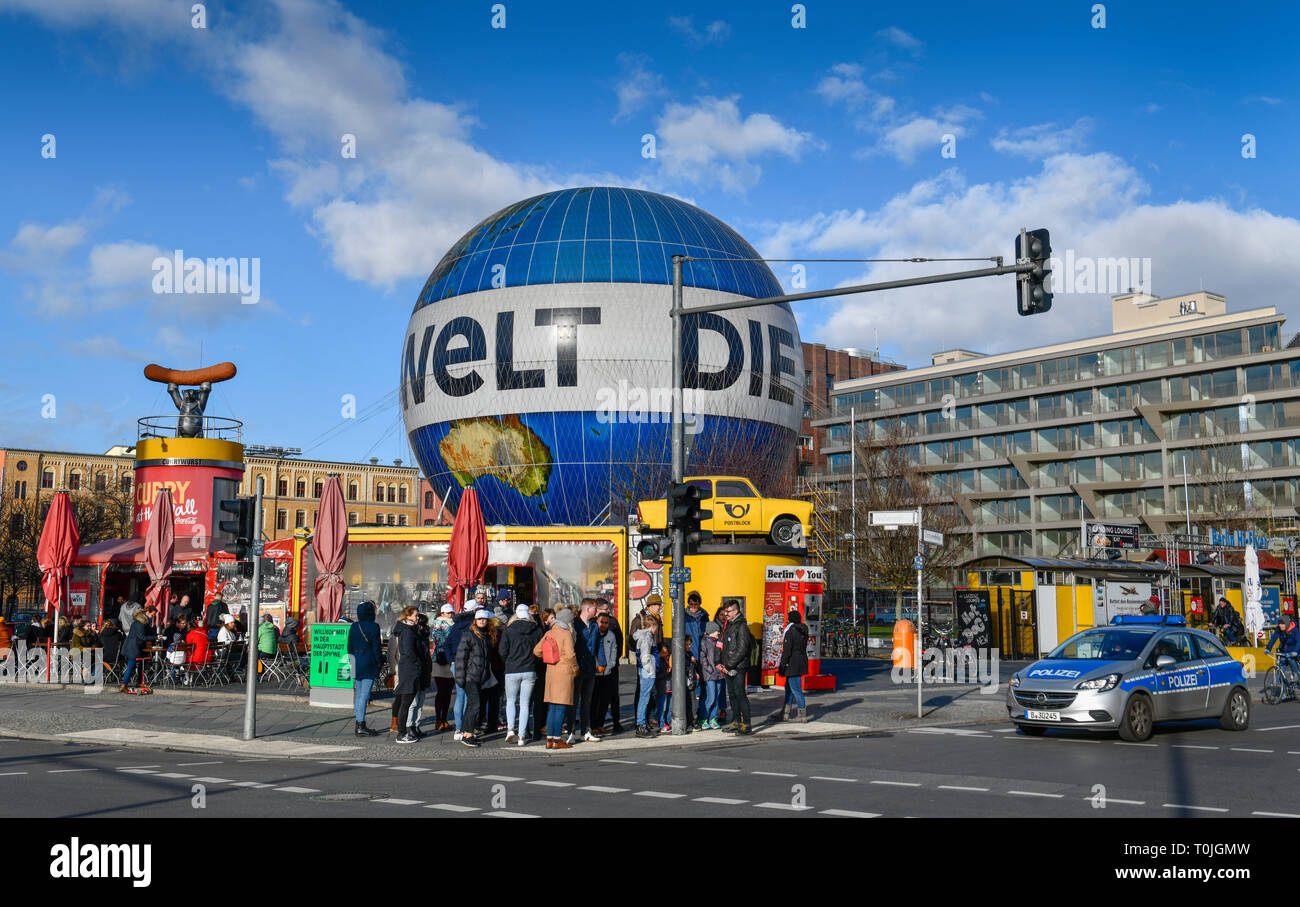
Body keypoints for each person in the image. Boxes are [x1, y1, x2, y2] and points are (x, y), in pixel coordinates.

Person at [533, 607, 578, 749]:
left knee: (552, 707)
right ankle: (557, 740)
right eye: (571, 619)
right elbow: (571, 655)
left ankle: (550, 739)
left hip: (551, 672)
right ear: (566, 620)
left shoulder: (549, 632)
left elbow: (536, 651)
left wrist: (548, 656)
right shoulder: (566, 634)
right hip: (564, 672)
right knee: (560, 707)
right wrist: (575, 669)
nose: (572, 621)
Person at [499, 603, 541, 746]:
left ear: (516, 614)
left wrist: (509, 661)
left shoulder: (509, 630)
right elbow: (539, 649)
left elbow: (502, 651)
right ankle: (522, 737)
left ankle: (511, 729)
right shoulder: (536, 629)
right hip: (530, 669)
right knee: (525, 704)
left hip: (512, 669)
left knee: (510, 701)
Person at [454, 609, 494, 747]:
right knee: (475, 704)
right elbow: (460, 658)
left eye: (484, 619)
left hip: (480, 677)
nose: (482, 621)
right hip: (469, 677)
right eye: (480, 619)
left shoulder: (486, 636)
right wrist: (460, 678)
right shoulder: (468, 635)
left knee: (473, 705)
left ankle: (466, 733)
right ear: (475, 621)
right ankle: (468, 734)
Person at [346, 600, 383, 736]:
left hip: (355, 662)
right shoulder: (374, 626)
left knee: (359, 694)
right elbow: (376, 648)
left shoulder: (354, 626)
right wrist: (379, 663)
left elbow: (349, 647)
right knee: (364, 695)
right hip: (368, 662)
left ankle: (359, 723)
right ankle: (361, 725)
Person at [567, 598, 601, 743]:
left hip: (590, 668)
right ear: (588, 609)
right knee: (573, 702)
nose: (597, 611)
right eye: (595, 609)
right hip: (577, 668)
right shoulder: (575, 625)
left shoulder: (594, 626)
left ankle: (586, 731)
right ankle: (571, 732)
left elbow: (598, 646)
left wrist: (602, 663)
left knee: (587, 701)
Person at [628, 594, 664, 729]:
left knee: (650, 691)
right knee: (643, 691)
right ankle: (641, 719)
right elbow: (632, 639)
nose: (660, 607)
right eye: (658, 605)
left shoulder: (657, 618)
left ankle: (647, 717)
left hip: (653, 657)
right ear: (651, 606)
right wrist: (647, 664)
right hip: (646, 661)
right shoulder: (640, 619)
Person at [446, 597, 478, 741]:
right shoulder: (472, 625)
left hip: (455, 664)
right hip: (468, 664)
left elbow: (447, 645)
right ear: (474, 611)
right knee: (469, 697)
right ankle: (466, 729)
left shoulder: (455, 625)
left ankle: (458, 729)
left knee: (460, 696)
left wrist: (451, 660)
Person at [719, 600, 753, 735]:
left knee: (740, 694)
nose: (725, 614)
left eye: (728, 611)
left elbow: (742, 649)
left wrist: (730, 664)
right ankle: (736, 721)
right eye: (725, 611)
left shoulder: (741, 626)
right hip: (728, 666)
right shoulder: (729, 625)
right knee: (732, 695)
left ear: (736, 611)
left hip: (738, 666)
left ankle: (747, 724)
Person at [593, 600, 624, 733]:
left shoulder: (613, 623)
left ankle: (613, 722)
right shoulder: (593, 625)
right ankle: (593, 724)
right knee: (595, 697)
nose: (608, 612)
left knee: (610, 696)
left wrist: (611, 664)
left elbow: (618, 643)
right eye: (605, 610)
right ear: (598, 610)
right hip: (596, 668)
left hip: (611, 667)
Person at [776, 609, 810, 722]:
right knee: (789, 688)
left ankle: (802, 716)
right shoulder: (804, 630)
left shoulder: (791, 632)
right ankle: (785, 714)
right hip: (801, 661)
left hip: (792, 663)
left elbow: (787, 651)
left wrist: (782, 665)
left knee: (796, 690)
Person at [632, 613, 660, 737]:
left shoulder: (644, 636)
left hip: (645, 671)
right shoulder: (647, 637)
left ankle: (642, 723)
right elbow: (645, 656)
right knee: (644, 698)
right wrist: (650, 670)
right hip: (647, 672)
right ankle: (641, 725)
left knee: (645, 697)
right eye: (656, 627)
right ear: (653, 626)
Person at [430, 604, 456, 730]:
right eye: (447, 613)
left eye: (451, 612)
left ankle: (444, 719)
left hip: (450, 660)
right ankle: (438, 719)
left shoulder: (454, 623)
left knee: (448, 692)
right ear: (442, 613)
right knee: (441, 691)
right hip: (440, 660)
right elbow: (439, 640)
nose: (450, 614)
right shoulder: (438, 624)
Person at [407, 613, 433, 737]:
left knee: (421, 701)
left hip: (425, 672)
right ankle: (409, 725)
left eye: (425, 625)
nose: (424, 627)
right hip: (416, 672)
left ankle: (416, 725)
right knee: (414, 702)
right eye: (422, 624)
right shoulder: (414, 637)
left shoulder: (425, 639)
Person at [119, 608, 156, 694]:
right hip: (132, 648)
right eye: (152, 614)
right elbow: (142, 637)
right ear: (145, 613)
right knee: (130, 666)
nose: (153, 616)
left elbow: (149, 632)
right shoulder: (140, 623)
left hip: (136, 647)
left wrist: (156, 635)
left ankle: (139, 682)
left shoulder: (142, 623)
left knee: (142, 663)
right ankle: (124, 685)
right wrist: (155, 637)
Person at [698, 621, 723, 729]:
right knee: (711, 697)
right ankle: (703, 718)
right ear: (711, 631)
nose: (718, 632)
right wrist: (709, 669)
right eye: (717, 631)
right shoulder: (704, 641)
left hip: (719, 673)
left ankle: (713, 718)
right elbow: (702, 657)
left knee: (716, 697)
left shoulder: (718, 641)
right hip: (710, 674)